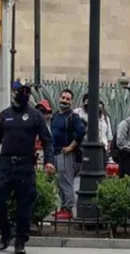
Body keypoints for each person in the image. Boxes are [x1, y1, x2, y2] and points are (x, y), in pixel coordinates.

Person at [0, 80, 55, 254]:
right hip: (6, 164)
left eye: (27, 92)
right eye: (20, 91)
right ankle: (6, 233)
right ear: (14, 92)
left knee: (25, 204)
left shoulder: (35, 116)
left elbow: (47, 141)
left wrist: (49, 161)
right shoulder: (5, 115)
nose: (24, 94)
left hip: (25, 165)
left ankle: (21, 240)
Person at [51, 88, 86, 220]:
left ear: (71, 101)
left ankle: (68, 209)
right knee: (59, 182)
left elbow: (81, 132)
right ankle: (62, 208)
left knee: (66, 182)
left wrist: (71, 147)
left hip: (66, 154)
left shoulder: (73, 117)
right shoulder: (55, 115)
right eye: (63, 98)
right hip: (55, 153)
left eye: (68, 99)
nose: (64, 101)